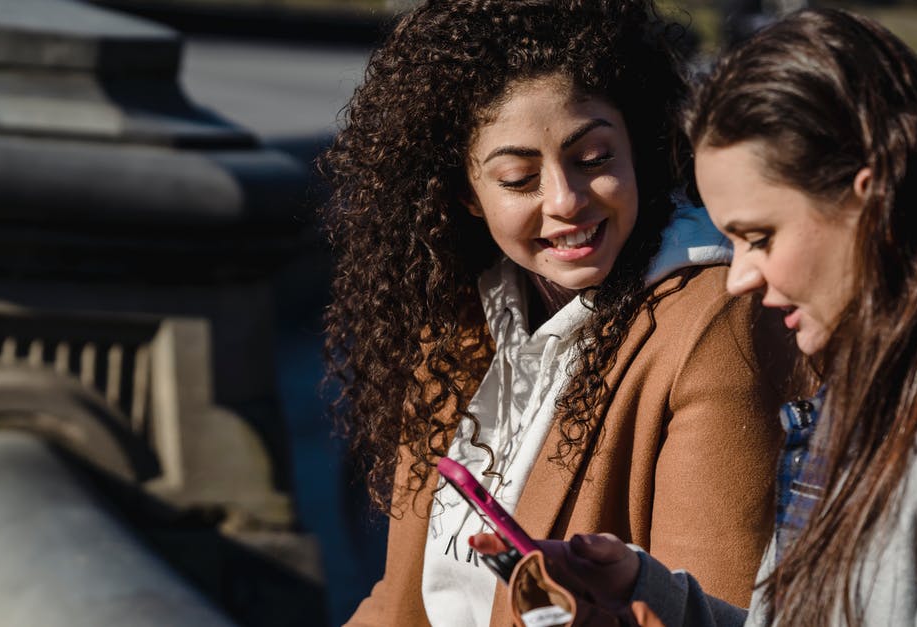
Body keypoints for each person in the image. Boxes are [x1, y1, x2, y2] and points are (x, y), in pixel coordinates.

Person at [492, 7, 917, 626]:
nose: (741, 275)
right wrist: (649, 598)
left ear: (873, 201)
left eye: (762, 236)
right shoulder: (885, 368)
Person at [318, 0, 802, 624]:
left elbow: (707, 610)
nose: (565, 200)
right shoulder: (459, 321)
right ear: (466, 192)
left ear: (640, 143)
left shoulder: (716, 323)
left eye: (595, 159)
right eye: (519, 178)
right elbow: (400, 602)